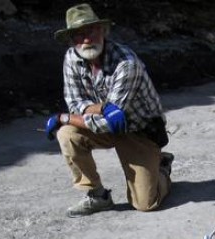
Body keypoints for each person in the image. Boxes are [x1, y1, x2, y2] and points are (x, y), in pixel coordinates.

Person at [46, 3, 172, 217]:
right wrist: (103, 108)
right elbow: (75, 102)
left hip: (139, 131)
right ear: (70, 39)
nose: (86, 39)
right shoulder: (71, 58)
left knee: (145, 204)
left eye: (91, 31)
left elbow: (107, 122)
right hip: (108, 123)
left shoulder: (126, 63)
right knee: (67, 134)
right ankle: (97, 196)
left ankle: (162, 167)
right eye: (78, 34)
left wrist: (64, 117)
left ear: (103, 31)